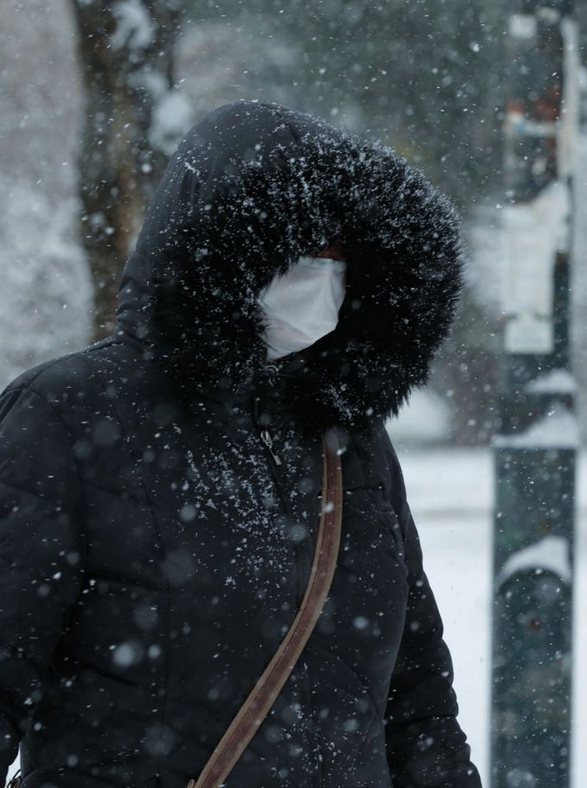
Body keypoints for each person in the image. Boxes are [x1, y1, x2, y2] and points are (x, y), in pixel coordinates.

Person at [0, 101, 482, 788]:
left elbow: (415, 699)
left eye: (342, 262)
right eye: (299, 254)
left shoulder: (344, 440)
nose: (322, 284)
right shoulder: (67, 415)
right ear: (222, 256)